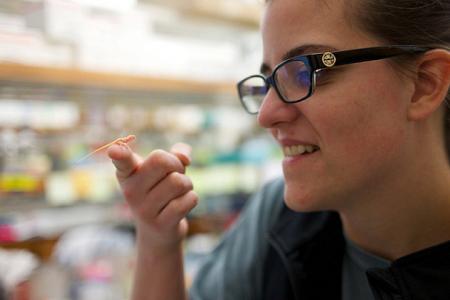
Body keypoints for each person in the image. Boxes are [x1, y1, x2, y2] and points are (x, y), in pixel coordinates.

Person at [107, 0, 450, 299]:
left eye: (305, 73)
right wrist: (158, 240)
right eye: (269, 81)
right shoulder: (278, 221)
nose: (267, 116)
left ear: (424, 85)